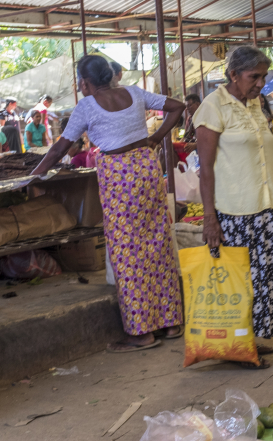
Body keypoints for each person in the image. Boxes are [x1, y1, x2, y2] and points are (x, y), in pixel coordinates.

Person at [31, 55, 185, 352]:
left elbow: (60, 149)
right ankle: (170, 322)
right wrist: (155, 138)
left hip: (118, 174)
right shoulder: (135, 92)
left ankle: (141, 333)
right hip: (146, 166)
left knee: (126, 250)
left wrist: (31, 177)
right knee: (157, 242)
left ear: (85, 82)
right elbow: (177, 106)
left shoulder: (87, 105)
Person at [194, 46, 273, 369]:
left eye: (263, 76)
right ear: (233, 74)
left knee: (259, 282)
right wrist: (210, 218)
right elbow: (205, 169)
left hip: (262, 209)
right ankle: (236, 348)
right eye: (255, 76)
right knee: (239, 284)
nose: (261, 83)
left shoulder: (254, 105)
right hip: (234, 214)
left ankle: (248, 341)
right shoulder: (213, 107)